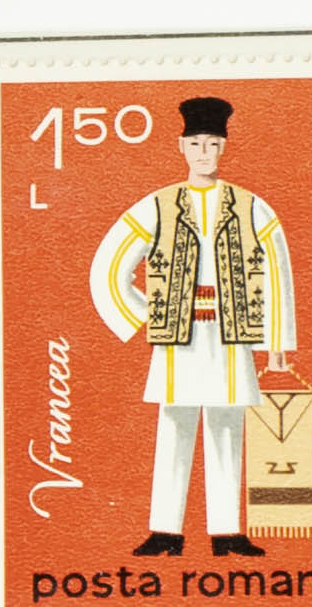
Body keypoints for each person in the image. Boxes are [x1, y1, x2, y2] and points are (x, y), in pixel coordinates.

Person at [83, 98, 293, 560]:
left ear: (223, 147)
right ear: (181, 146)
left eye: (212, 144)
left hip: (231, 334)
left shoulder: (250, 206)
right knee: (175, 426)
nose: (204, 153)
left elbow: (277, 270)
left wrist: (276, 341)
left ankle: (227, 533)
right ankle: (165, 532)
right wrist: (146, 315)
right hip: (179, 337)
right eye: (195, 144)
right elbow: (111, 266)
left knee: (226, 427)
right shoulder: (157, 205)